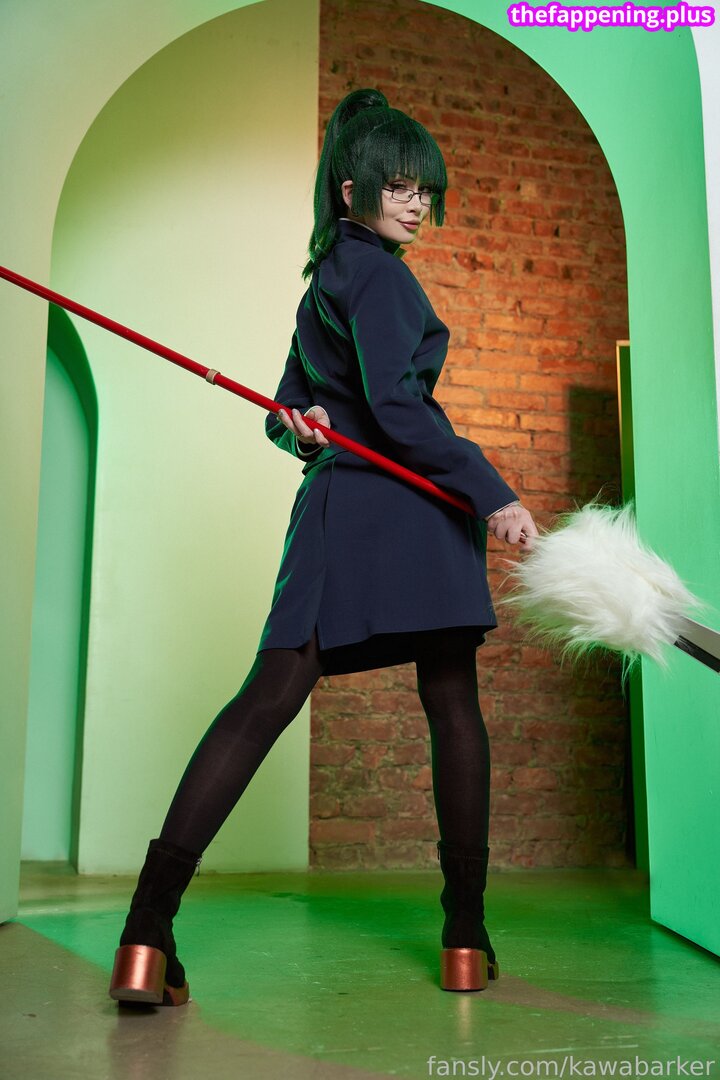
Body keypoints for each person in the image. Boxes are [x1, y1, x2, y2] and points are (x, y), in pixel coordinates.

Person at [108, 87, 539, 1006]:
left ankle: (144, 934)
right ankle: (465, 936)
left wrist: (297, 426)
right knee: (452, 704)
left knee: (266, 699)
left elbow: (286, 406)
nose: (418, 204)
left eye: (426, 189)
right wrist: (491, 490)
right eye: (400, 187)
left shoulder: (328, 279)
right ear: (352, 191)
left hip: (344, 506)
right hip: (411, 510)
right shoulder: (379, 276)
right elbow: (395, 408)